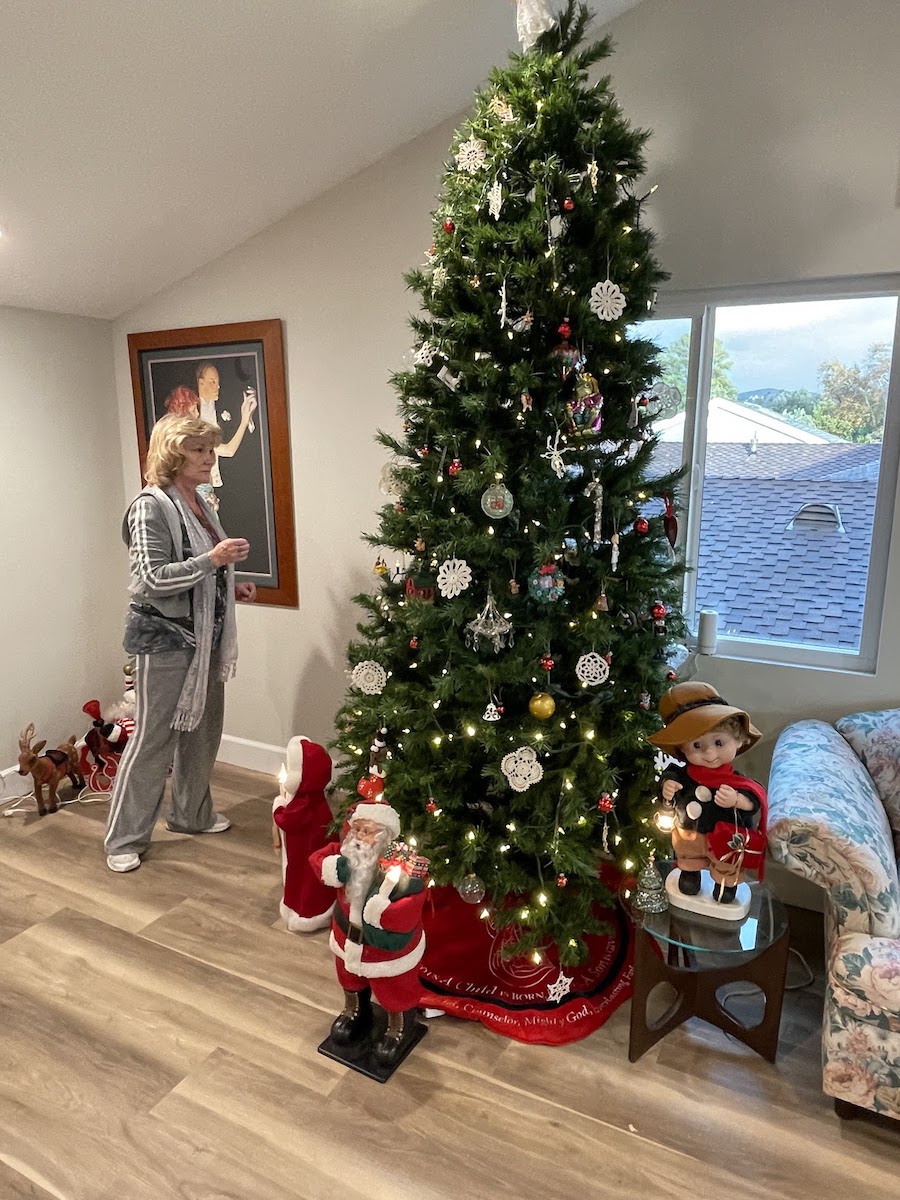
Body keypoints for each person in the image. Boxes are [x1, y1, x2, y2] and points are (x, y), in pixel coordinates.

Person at [104, 414, 257, 874]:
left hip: (206, 637)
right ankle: (124, 839)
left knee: (203, 731)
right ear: (173, 454)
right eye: (198, 450)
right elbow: (151, 579)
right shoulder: (150, 506)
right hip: (164, 639)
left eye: (210, 449)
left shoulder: (201, 502)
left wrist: (232, 584)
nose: (209, 458)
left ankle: (191, 814)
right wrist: (213, 560)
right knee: (153, 739)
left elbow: (200, 573)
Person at [309, 797, 428, 1065]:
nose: (360, 836)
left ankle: (399, 1027)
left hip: (384, 952)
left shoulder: (403, 871)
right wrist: (333, 867)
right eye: (357, 829)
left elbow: (411, 906)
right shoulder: (346, 856)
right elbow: (319, 860)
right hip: (346, 938)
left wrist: (382, 912)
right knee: (349, 978)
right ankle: (355, 1011)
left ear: (385, 837)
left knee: (394, 990)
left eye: (368, 831)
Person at [648, 681, 767, 904]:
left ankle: (725, 884)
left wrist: (737, 800)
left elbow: (754, 800)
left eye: (719, 742)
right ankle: (690, 873)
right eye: (696, 746)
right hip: (689, 832)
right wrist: (667, 787)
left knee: (727, 861)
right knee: (687, 851)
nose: (709, 753)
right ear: (682, 748)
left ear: (738, 740)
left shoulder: (736, 781)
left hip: (725, 836)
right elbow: (668, 779)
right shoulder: (680, 774)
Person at [272, 736, 336, 932]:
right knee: (303, 879)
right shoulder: (317, 799)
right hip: (311, 849)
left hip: (307, 855)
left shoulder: (304, 803)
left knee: (305, 882)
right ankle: (302, 907)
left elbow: (287, 820)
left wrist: (278, 806)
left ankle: (309, 913)